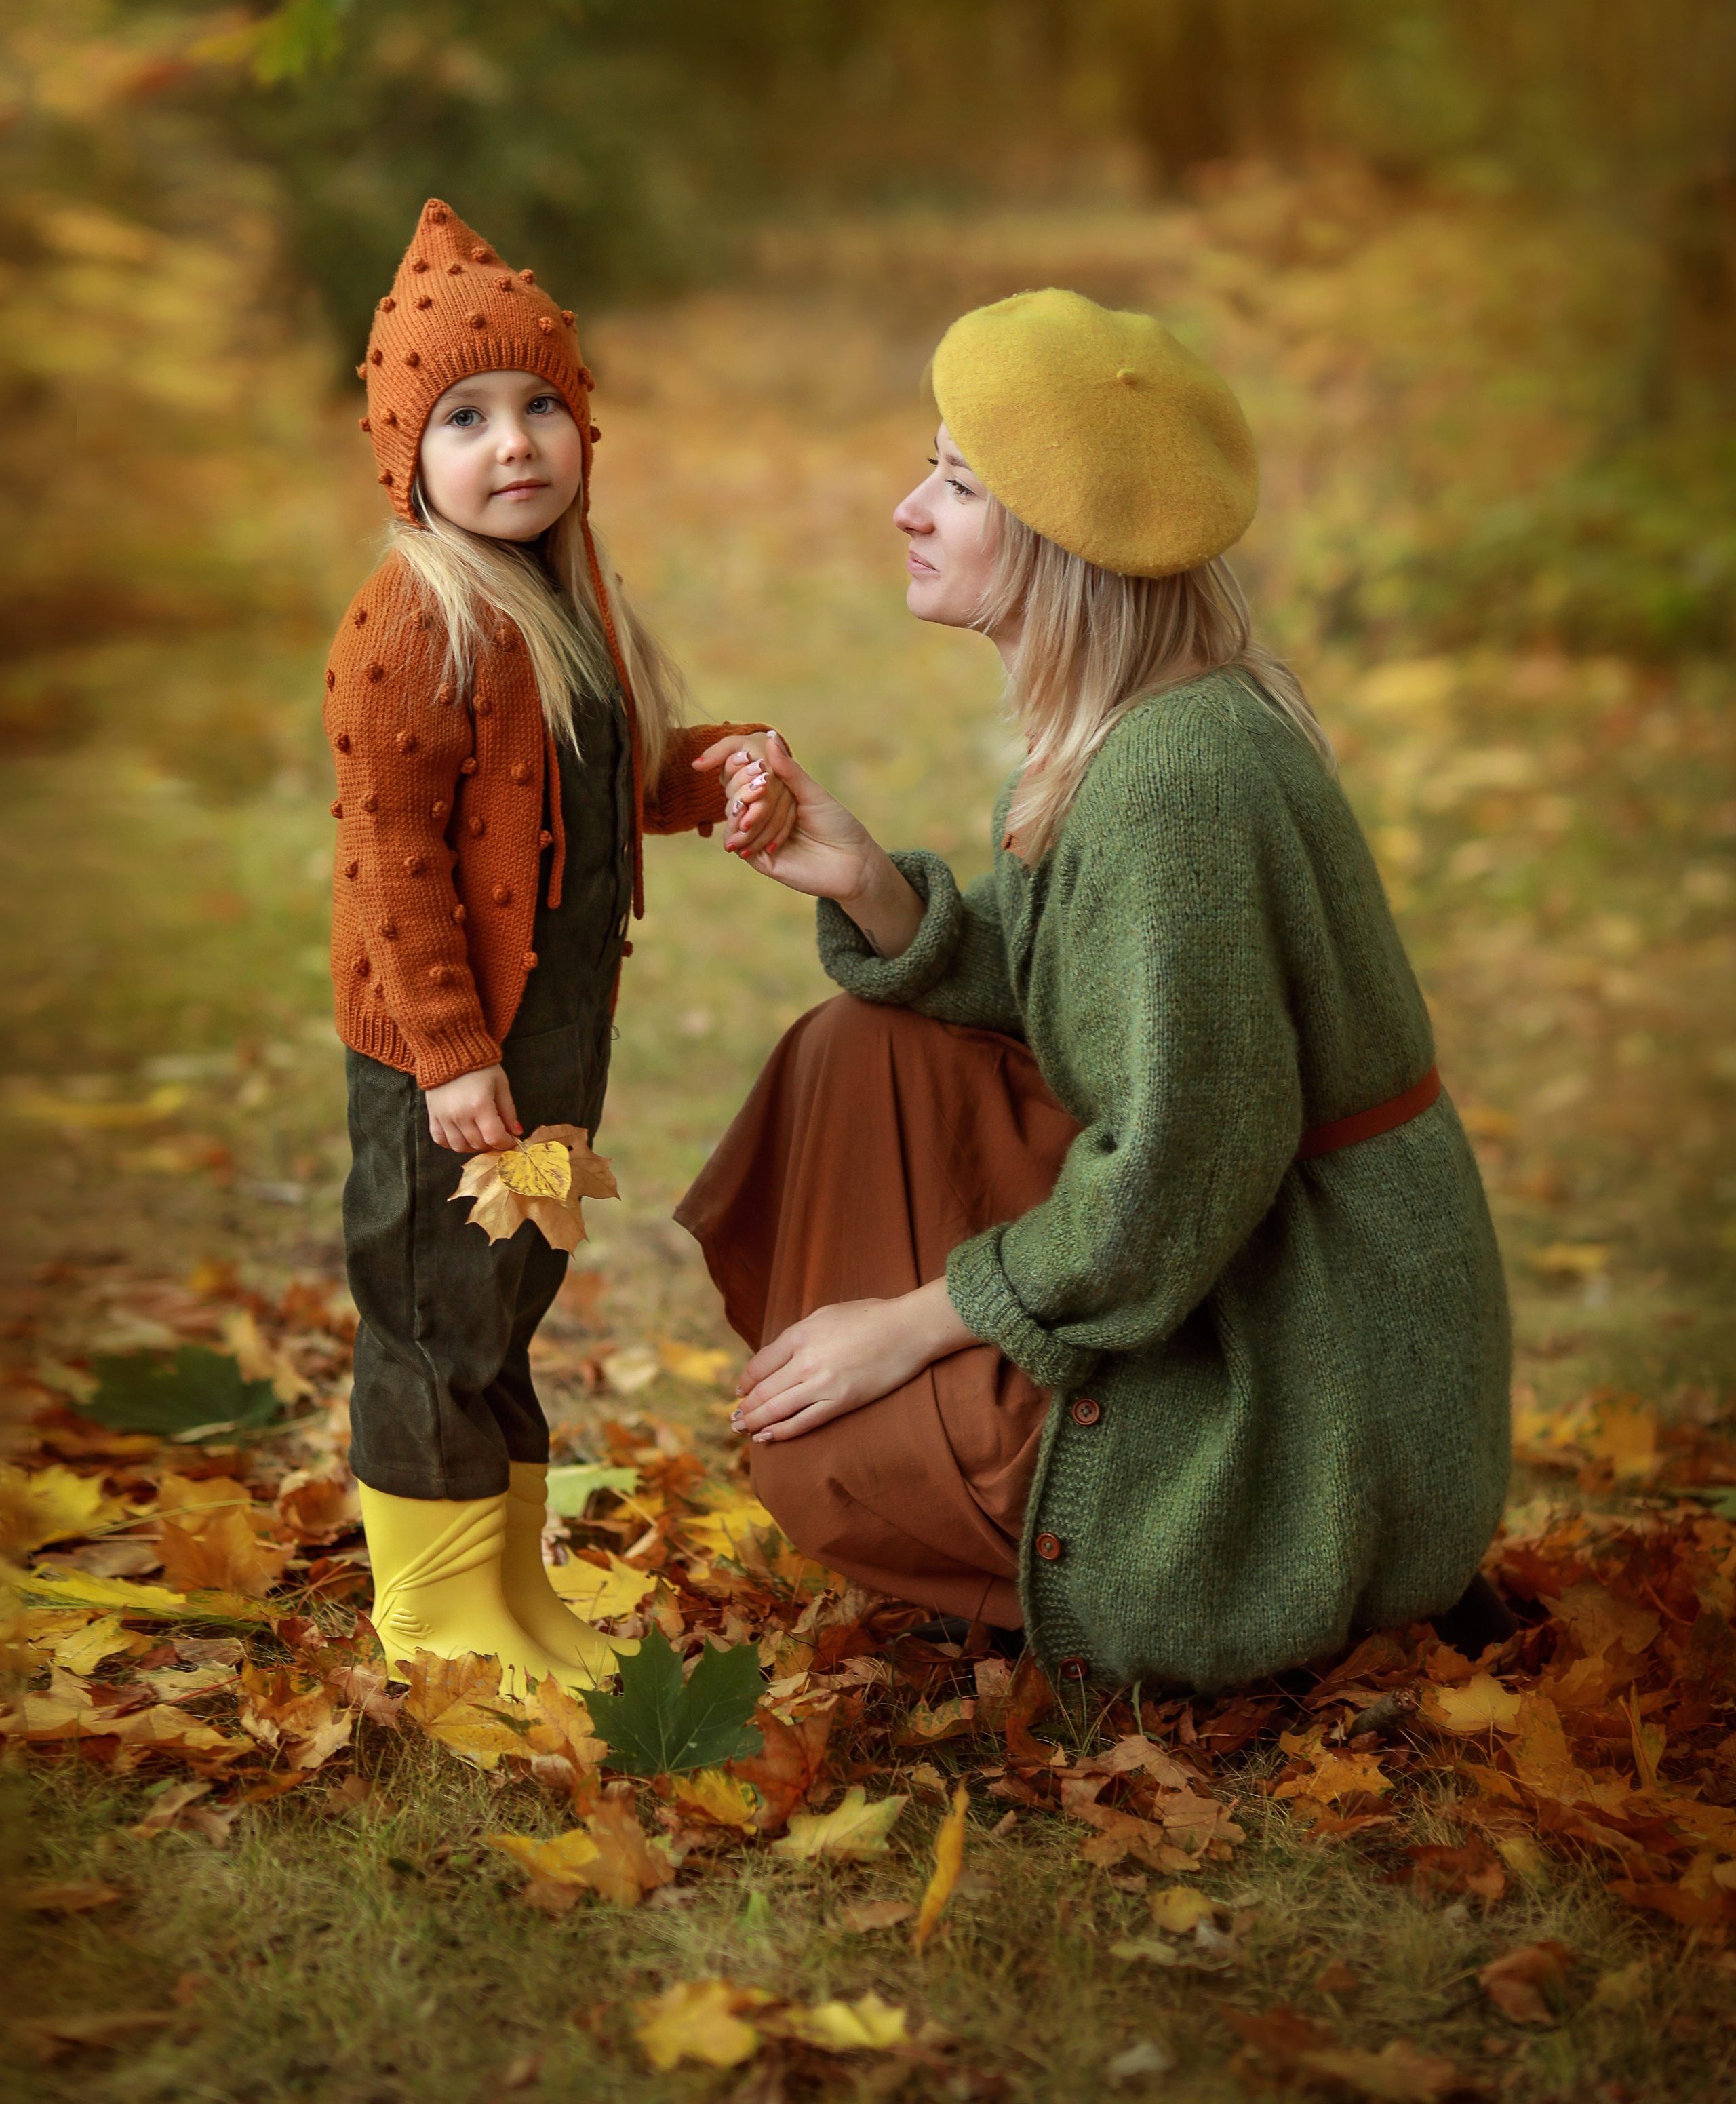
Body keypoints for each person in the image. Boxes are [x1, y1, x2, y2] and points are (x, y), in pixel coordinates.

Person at [678, 288, 1513, 1693]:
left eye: (958, 485)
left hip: (1317, 1355)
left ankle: (1142, 1543)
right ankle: (950, 1430)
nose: (906, 508)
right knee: (855, 1049)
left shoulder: (1173, 779)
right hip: (1255, 1251)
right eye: (930, 467)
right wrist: (871, 885)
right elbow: (1077, 983)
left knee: (832, 1458)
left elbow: (1178, 1168)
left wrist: (909, 1325)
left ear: (1060, 547)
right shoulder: (1138, 727)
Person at [327, 197, 788, 1688]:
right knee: (430, 1316)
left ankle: (507, 1587)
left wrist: (715, 768)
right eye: (465, 416)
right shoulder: (415, 624)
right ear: (407, 455)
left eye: (539, 405)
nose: (513, 442)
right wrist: (452, 1058)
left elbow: (594, 786)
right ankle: (433, 1618)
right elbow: (395, 866)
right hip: (451, 1063)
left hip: (548, 1048)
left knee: (505, 1299)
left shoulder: (563, 601)